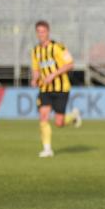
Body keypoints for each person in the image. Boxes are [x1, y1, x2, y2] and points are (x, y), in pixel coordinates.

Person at [30, 20, 82, 157]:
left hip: (61, 88)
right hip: (44, 89)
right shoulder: (35, 51)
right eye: (38, 32)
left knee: (59, 122)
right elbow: (36, 68)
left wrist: (54, 74)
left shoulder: (58, 47)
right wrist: (35, 79)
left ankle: (74, 116)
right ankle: (47, 149)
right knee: (43, 116)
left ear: (48, 32)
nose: (41, 34)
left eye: (43, 31)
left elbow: (70, 64)